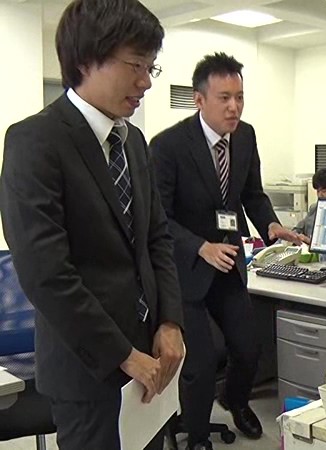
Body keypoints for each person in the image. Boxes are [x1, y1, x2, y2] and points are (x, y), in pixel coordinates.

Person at [0, 1, 185, 448]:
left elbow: (156, 239)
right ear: (86, 60)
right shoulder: (35, 141)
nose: (145, 81)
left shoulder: (133, 141)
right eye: (135, 65)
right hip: (88, 370)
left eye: (151, 68)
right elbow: (46, 274)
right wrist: (123, 355)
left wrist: (169, 322)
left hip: (151, 365)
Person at [150, 52, 301, 450]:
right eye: (224, 98)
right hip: (186, 270)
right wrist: (200, 246)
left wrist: (271, 226)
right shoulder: (168, 146)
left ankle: (235, 400)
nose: (234, 107)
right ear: (199, 100)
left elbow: (252, 194)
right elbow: (159, 217)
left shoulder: (245, 136)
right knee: (199, 363)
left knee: (249, 347)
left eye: (240, 97)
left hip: (229, 263)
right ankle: (197, 436)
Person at [294, 168, 326, 241]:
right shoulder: (314, 208)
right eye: (318, 191)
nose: (320, 195)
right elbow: (298, 229)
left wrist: (309, 241)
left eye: (324, 191)